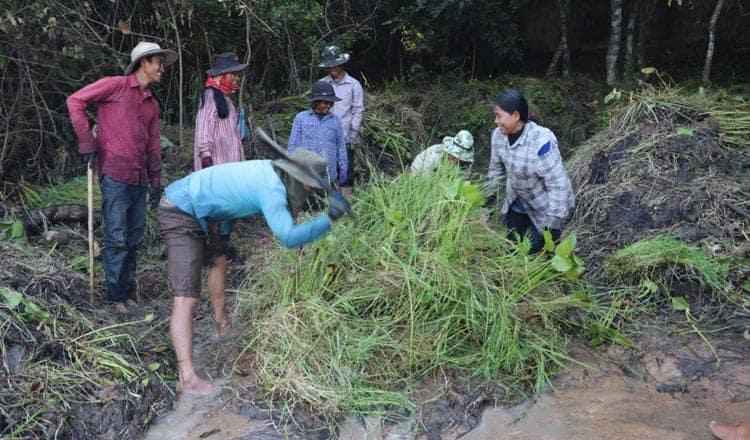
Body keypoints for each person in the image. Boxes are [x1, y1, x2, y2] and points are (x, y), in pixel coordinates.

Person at [158, 149, 352, 395]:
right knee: (186, 298)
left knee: (219, 260)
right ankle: (187, 377)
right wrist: (330, 219)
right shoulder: (271, 188)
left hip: (205, 213)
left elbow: (234, 197)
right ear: (299, 179)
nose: (312, 190)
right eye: (311, 186)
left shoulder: (273, 171)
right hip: (180, 208)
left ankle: (222, 323)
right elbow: (289, 237)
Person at [66, 41, 176, 313]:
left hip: (138, 178)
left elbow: (152, 142)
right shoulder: (115, 85)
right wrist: (87, 143)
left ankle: (127, 292)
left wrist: (155, 180)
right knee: (116, 236)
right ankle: (116, 297)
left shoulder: (151, 104)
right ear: (143, 63)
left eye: (162, 63)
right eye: (158, 63)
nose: (162, 69)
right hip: (114, 174)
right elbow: (75, 101)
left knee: (134, 237)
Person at [484, 89, 574, 254]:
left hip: (544, 206)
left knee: (535, 251)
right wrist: (487, 197)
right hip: (518, 200)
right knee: (511, 246)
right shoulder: (498, 136)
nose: (496, 121)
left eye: (499, 116)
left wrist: (553, 225)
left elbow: (558, 185)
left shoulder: (541, 142)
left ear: (516, 116)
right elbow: (495, 170)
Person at [319, 45, 364, 196]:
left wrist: (353, 134)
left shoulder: (353, 85)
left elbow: (358, 110)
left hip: (346, 137)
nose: (333, 69)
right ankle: (328, 205)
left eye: (335, 65)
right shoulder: (322, 85)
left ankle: (346, 204)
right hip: (326, 138)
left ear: (341, 64)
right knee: (326, 172)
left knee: (345, 173)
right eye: (329, 66)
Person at [193, 52, 248, 171]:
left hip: (230, 165)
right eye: (233, 74)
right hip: (216, 166)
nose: (237, 78)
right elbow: (203, 126)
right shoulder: (209, 96)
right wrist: (205, 153)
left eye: (238, 75)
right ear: (221, 75)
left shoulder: (226, 99)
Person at [287, 81, 348, 188]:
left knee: (326, 203)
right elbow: (293, 146)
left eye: (331, 103)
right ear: (315, 102)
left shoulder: (335, 121)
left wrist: (343, 169)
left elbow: (341, 147)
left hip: (328, 177)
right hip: (305, 176)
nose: (328, 106)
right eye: (325, 103)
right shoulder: (301, 118)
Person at [410, 130, 474, 175]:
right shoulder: (435, 155)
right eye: (453, 158)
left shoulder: (466, 165)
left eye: (459, 159)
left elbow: (461, 182)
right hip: (420, 173)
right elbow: (423, 178)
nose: (454, 162)